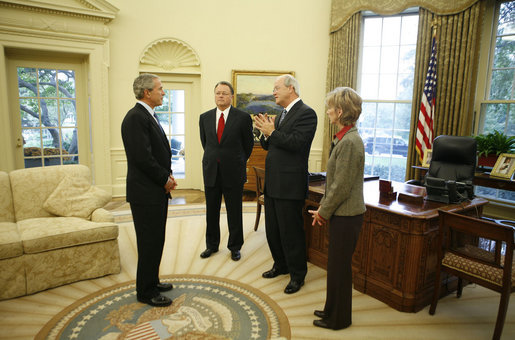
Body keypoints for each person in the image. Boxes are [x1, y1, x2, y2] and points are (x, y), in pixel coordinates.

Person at [308, 87, 366, 330]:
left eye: (331, 107)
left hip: (348, 215)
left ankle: (338, 319)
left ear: (340, 111)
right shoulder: (343, 138)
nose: (328, 111)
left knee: (339, 268)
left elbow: (341, 187)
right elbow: (336, 183)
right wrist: (324, 208)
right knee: (335, 266)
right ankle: (332, 309)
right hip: (342, 214)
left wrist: (322, 211)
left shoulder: (350, 142)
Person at [254, 74, 317, 294]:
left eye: (277, 87)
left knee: (291, 233)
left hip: (290, 184)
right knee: (273, 230)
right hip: (273, 184)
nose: (274, 92)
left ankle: (297, 275)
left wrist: (273, 132)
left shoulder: (307, 114)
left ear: (291, 89)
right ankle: (280, 265)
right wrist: (266, 134)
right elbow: (271, 146)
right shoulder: (281, 114)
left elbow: (296, 144)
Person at [121, 73, 177, 307]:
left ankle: (152, 281)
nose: (163, 92)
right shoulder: (135, 117)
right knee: (148, 241)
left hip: (153, 190)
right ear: (147, 92)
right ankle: (145, 291)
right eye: (160, 88)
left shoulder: (147, 115)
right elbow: (142, 158)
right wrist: (165, 179)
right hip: (145, 192)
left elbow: (155, 152)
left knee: (156, 239)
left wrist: (167, 175)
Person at [199, 81, 254, 261]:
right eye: (217, 93)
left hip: (233, 171)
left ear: (231, 96)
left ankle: (235, 247)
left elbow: (248, 145)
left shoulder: (243, 117)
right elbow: (205, 143)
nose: (220, 96)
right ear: (214, 95)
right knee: (211, 211)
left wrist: (236, 160)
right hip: (211, 171)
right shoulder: (204, 117)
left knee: (234, 211)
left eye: (224, 93)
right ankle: (211, 245)